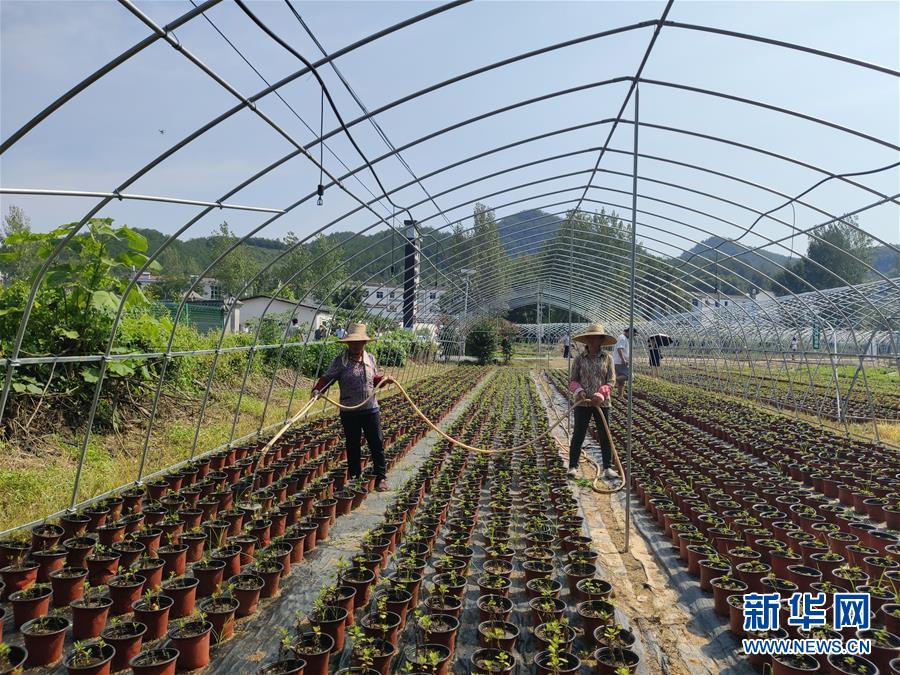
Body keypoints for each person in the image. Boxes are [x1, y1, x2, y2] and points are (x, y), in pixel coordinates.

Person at [312, 323, 393, 491]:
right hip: (350, 411)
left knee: (376, 443)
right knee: (353, 444)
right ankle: (356, 477)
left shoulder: (370, 358)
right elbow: (328, 378)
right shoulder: (340, 361)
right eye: (353, 342)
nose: (356, 345)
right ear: (348, 343)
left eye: (359, 342)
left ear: (364, 343)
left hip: (371, 408)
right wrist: (317, 390)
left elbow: (374, 380)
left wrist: (384, 380)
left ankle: (381, 478)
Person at [567, 323, 617, 480]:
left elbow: (611, 381)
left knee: (605, 434)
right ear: (586, 340)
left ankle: (608, 467)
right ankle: (573, 466)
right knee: (579, 433)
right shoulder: (579, 359)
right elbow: (572, 380)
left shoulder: (608, 359)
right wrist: (579, 391)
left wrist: (601, 394)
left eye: (596, 338)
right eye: (589, 338)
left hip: (602, 404)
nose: (592, 341)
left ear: (601, 340)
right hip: (582, 403)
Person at [613, 327, 633, 397]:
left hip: (619, 361)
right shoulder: (622, 338)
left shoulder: (623, 337)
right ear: (629, 332)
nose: (632, 336)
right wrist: (623, 359)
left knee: (622, 381)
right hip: (620, 362)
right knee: (630, 376)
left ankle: (620, 396)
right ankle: (613, 380)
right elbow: (620, 349)